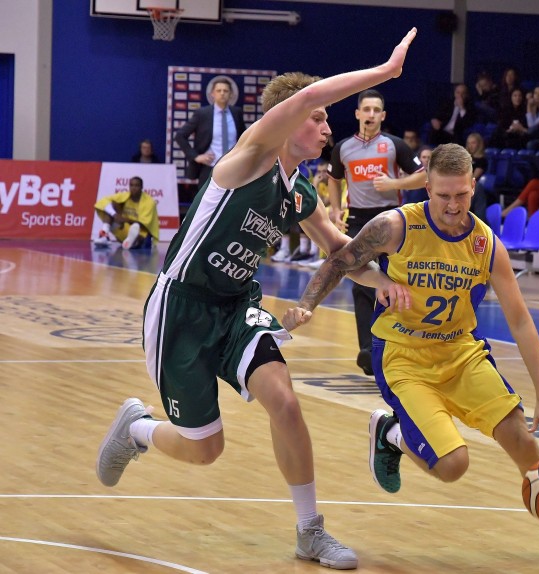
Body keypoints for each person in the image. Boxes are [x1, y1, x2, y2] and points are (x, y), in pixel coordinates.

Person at [95, 28, 419, 571]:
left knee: (285, 402)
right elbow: (311, 94)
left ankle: (310, 531)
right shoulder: (248, 158)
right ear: (289, 120)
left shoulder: (299, 191)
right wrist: (385, 72)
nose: (327, 127)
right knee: (205, 448)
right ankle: (137, 430)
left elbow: (341, 252)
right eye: (319, 119)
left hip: (238, 306)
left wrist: (381, 281)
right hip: (182, 307)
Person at [282, 143, 539, 566]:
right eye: (443, 195)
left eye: (461, 194)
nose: (454, 205)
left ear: (473, 186)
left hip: (461, 353)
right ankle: (390, 433)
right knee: (453, 465)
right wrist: (309, 304)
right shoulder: (397, 226)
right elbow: (340, 260)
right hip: (403, 356)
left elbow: (520, 321)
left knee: (522, 440)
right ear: (427, 187)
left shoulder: (486, 244)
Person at [327, 88, 427, 376]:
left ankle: (401, 347)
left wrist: (394, 184)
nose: (370, 114)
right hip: (358, 220)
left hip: (391, 219)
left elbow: (423, 176)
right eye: (366, 109)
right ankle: (368, 351)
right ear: (357, 113)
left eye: (376, 110)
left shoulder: (395, 145)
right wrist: (335, 210)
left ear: (383, 116)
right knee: (361, 283)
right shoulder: (343, 148)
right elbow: (333, 178)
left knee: (397, 281)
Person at [174, 76, 247, 186]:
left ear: (231, 94)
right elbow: (180, 136)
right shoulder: (202, 114)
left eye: (225, 91)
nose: (222, 93)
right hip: (210, 168)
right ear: (212, 94)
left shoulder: (237, 113)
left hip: (233, 168)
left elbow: (244, 138)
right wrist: (195, 156)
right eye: (219, 90)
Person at [93, 176, 159, 250]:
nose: (133, 188)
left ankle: (132, 241)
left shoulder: (149, 202)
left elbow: (143, 224)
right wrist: (115, 214)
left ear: (141, 187)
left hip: (142, 232)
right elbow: (102, 202)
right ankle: (104, 235)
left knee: (138, 232)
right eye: (131, 185)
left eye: (136, 185)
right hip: (125, 228)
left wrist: (124, 219)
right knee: (112, 205)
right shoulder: (125, 196)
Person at [466, 132, 489, 222]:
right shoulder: (465, 159)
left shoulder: (482, 160)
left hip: (476, 188)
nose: (470, 146)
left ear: (479, 144)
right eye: (469, 143)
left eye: (473, 143)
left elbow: (474, 176)